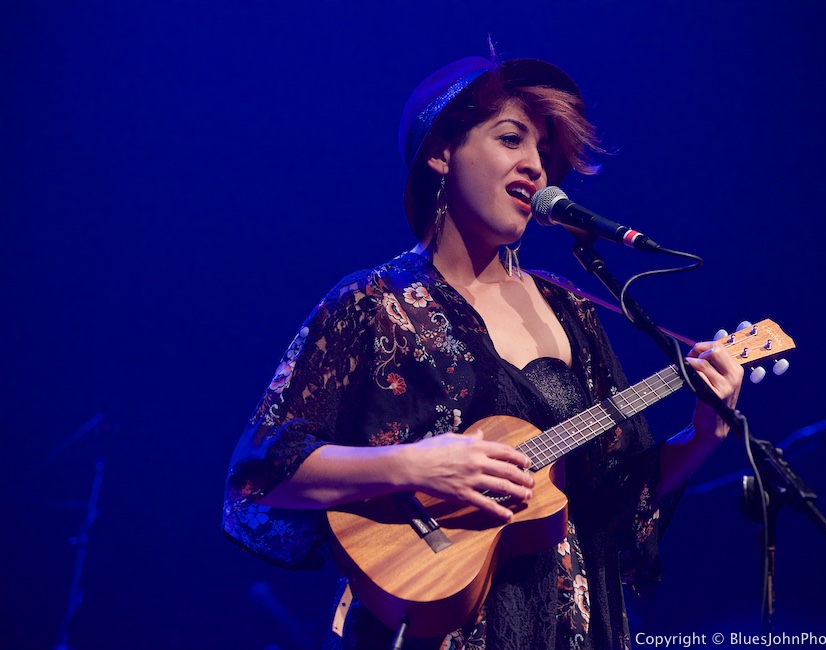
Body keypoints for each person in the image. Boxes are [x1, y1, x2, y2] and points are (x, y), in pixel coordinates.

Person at [223, 50, 743, 650]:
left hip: (570, 627)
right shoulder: (371, 302)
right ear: (441, 153)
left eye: (545, 157)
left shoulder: (571, 310)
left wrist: (704, 434)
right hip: (438, 621)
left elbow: (616, 503)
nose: (535, 168)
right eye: (511, 139)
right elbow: (260, 473)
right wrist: (419, 464)